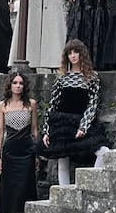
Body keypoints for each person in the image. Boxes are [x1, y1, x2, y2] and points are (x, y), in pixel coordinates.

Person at [38, 40, 111, 186]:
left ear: (81, 54)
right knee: (63, 159)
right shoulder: (62, 79)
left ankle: (91, 185)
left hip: (82, 122)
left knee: (103, 151)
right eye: (69, 53)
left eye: (75, 52)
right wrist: (46, 130)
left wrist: (83, 126)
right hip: (61, 123)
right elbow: (53, 104)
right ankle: (64, 194)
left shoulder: (92, 77)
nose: (73, 56)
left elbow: (93, 104)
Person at [0, 70, 39, 213]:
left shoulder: (31, 104)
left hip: (27, 151)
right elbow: (0, 131)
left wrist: (37, 154)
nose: (18, 86)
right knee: (9, 188)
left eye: (21, 83)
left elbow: (34, 130)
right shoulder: (3, 105)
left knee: (25, 186)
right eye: (15, 83)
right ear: (10, 85)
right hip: (9, 151)